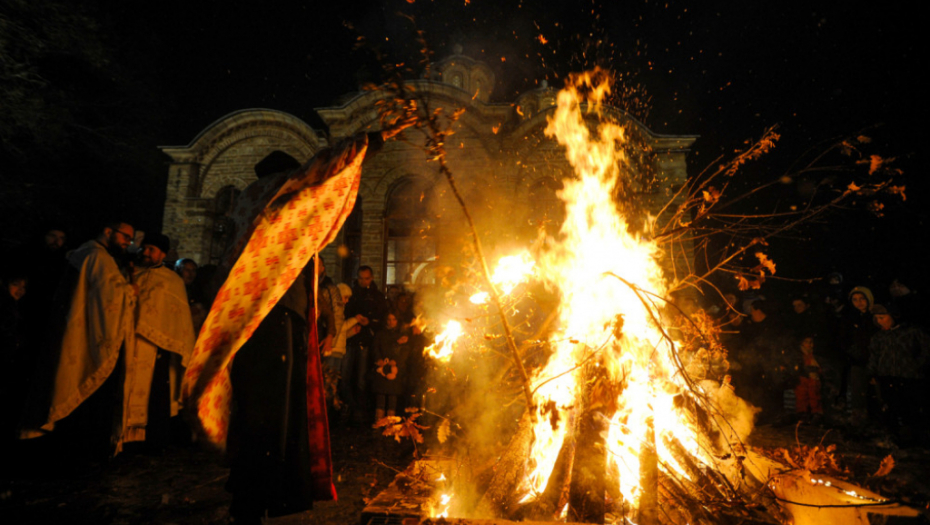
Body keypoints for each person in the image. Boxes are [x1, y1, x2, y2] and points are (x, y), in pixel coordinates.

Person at [28, 220, 137, 456]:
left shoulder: (89, 253)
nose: (128, 243)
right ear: (108, 231)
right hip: (84, 331)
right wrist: (130, 291)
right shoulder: (96, 256)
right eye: (125, 237)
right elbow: (110, 295)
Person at [125, 233, 195, 448]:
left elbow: (177, 319)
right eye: (144, 248)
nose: (145, 252)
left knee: (154, 394)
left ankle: (150, 441)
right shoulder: (128, 273)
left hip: (157, 348)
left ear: (162, 254)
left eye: (152, 249)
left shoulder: (171, 281)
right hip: (127, 342)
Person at [868, 304, 930, 446]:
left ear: (893, 315)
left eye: (882, 317)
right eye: (877, 318)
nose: (879, 321)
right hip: (886, 376)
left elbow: (926, 350)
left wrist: (917, 366)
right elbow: (874, 355)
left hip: (909, 377)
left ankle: (916, 440)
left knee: (911, 409)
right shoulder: (879, 336)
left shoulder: (912, 332)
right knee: (890, 409)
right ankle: (894, 439)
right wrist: (872, 373)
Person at [342, 265, 389, 425]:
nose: (363, 281)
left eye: (366, 278)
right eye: (361, 278)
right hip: (350, 339)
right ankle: (349, 406)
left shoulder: (377, 297)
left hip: (365, 341)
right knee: (345, 376)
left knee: (361, 378)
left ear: (372, 278)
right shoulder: (351, 294)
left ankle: (359, 410)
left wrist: (369, 323)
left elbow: (382, 320)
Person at [839, 286, 878, 427]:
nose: (859, 302)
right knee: (858, 392)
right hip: (857, 361)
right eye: (855, 300)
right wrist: (854, 352)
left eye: (862, 299)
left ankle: (877, 421)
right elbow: (844, 339)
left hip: (876, 360)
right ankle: (859, 422)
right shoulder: (851, 318)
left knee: (875, 391)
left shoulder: (876, 317)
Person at [370, 311, 411, 422]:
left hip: (395, 369)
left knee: (393, 394)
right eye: (389, 319)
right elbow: (375, 347)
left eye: (393, 319)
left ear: (397, 321)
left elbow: (405, 351)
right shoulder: (380, 334)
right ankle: (379, 420)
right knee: (381, 393)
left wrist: (396, 361)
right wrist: (378, 359)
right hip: (382, 367)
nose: (391, 322)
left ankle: (390, 421)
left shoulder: (402, 334)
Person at [793, 336, 823, 423]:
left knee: (814, 394)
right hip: (802, 379)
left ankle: (816, 414)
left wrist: (816, 371)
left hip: (813, 379)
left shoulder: (815, 355)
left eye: (811, 342)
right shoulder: (798, 355)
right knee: (802, 396)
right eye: (807, 342)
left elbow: (821, 368)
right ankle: (803, 414)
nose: (810, 345)